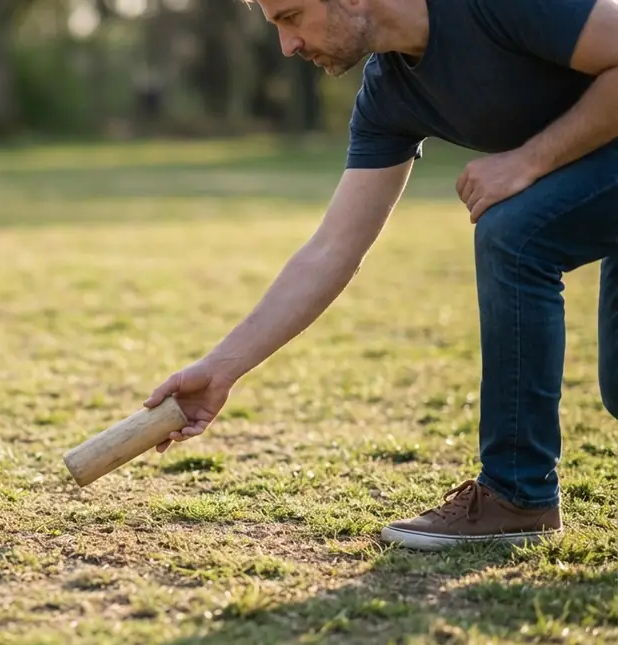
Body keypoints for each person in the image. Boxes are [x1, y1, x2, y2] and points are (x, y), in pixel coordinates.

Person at [142, 0, 618, 551]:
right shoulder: (390, 96)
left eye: (291, 17)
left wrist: (528, 161)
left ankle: (517, 495)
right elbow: (331, 250)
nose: (287, 46)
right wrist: (221, 369)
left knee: (514, 233)